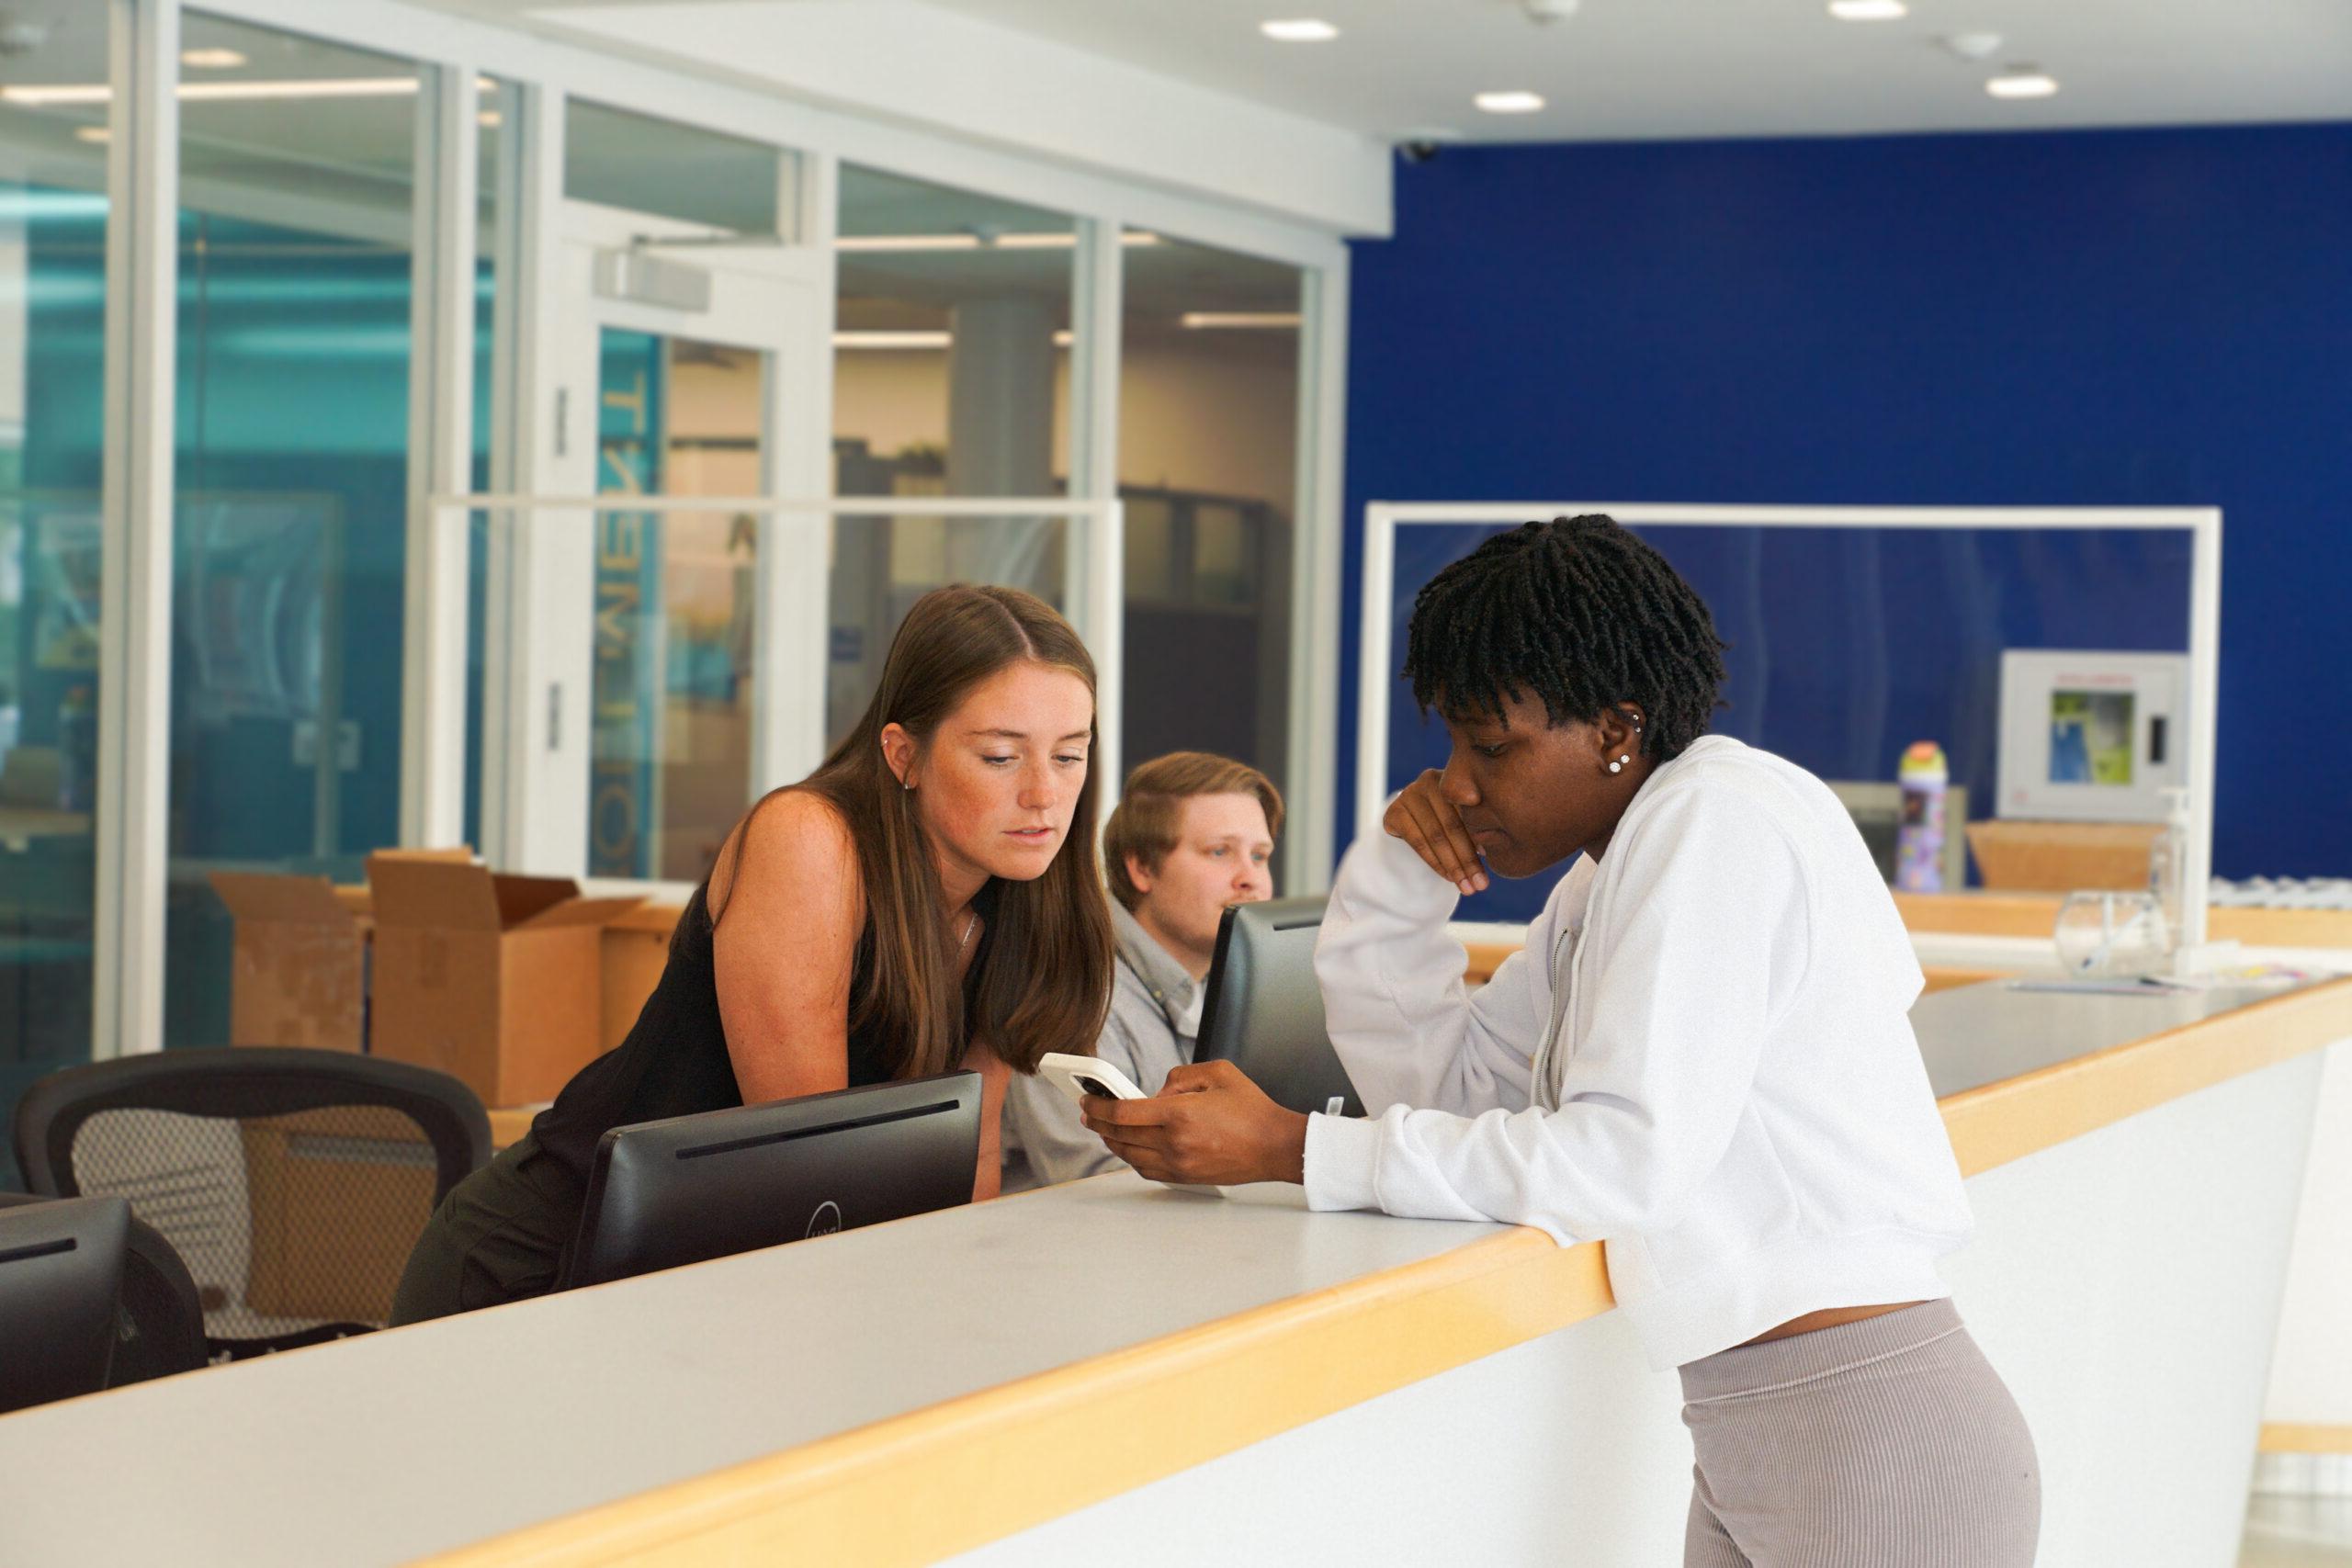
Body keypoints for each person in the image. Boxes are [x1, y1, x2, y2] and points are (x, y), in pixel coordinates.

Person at [1079, 517, 2040, 1565]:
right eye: (1450, 744)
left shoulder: (1713, 822)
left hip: (1863, 1436)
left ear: (1617, 731)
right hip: (1775, 1428)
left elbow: (1625, 1160)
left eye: (1490, 746)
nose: (1456, 783)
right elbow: (1464, 1088)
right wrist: (1401, 876)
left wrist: (1290, 1148)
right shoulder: (1617, 857)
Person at [391, 584, 1114, 1323]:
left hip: (718, 1286)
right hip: (547, 1270)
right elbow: (817, 1176)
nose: (1044, 795)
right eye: (1000, 756)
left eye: (1068, 757)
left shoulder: (1023, 896)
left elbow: (973, 1164)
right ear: (903, 754)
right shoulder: (811, 842)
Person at [1001, 751, 1281, 1189]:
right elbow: (1101, 1187)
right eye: (1220, 851)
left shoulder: (1240, 984)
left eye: (1260, 856)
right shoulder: (1071, 992)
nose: (1250, 878)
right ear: (1142, 868)